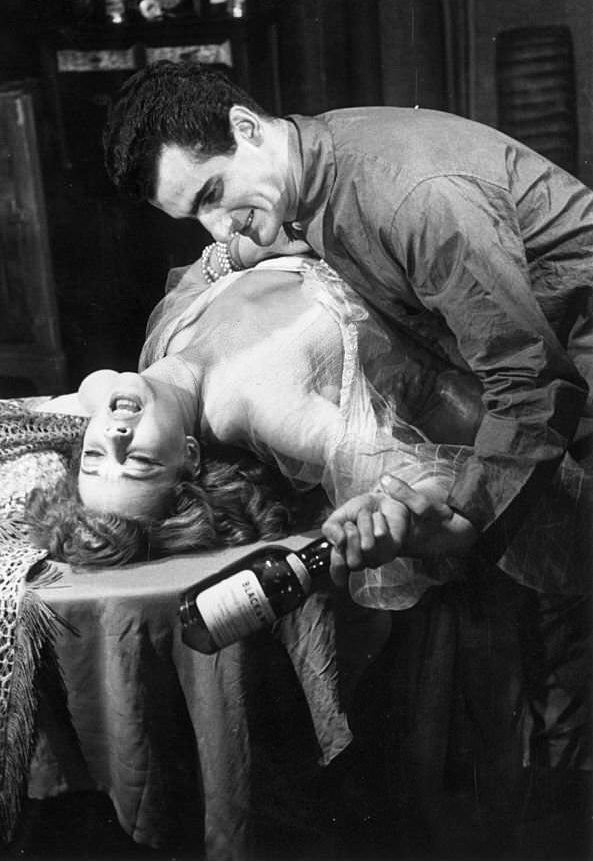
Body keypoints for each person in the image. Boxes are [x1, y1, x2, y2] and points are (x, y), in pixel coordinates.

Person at [102, 61, 592, 779]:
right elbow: (284, 231)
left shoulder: (414, 197)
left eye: (213, 194)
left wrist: (463, 511)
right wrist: (227, 254)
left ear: (245, 128)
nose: (214, 224)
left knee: (569, 658)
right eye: (192, 217)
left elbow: (530, 381)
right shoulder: (301, 165)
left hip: (567, 384)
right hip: (542, 389)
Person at [28, 251, 486, 607]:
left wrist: (236, 249)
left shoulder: (127, 376)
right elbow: (419, 478)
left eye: (93, 457)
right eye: (141, 462)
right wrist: (399, 513)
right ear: (189, 454)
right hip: (456, 292)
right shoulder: (268, 408)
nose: (114, 437)